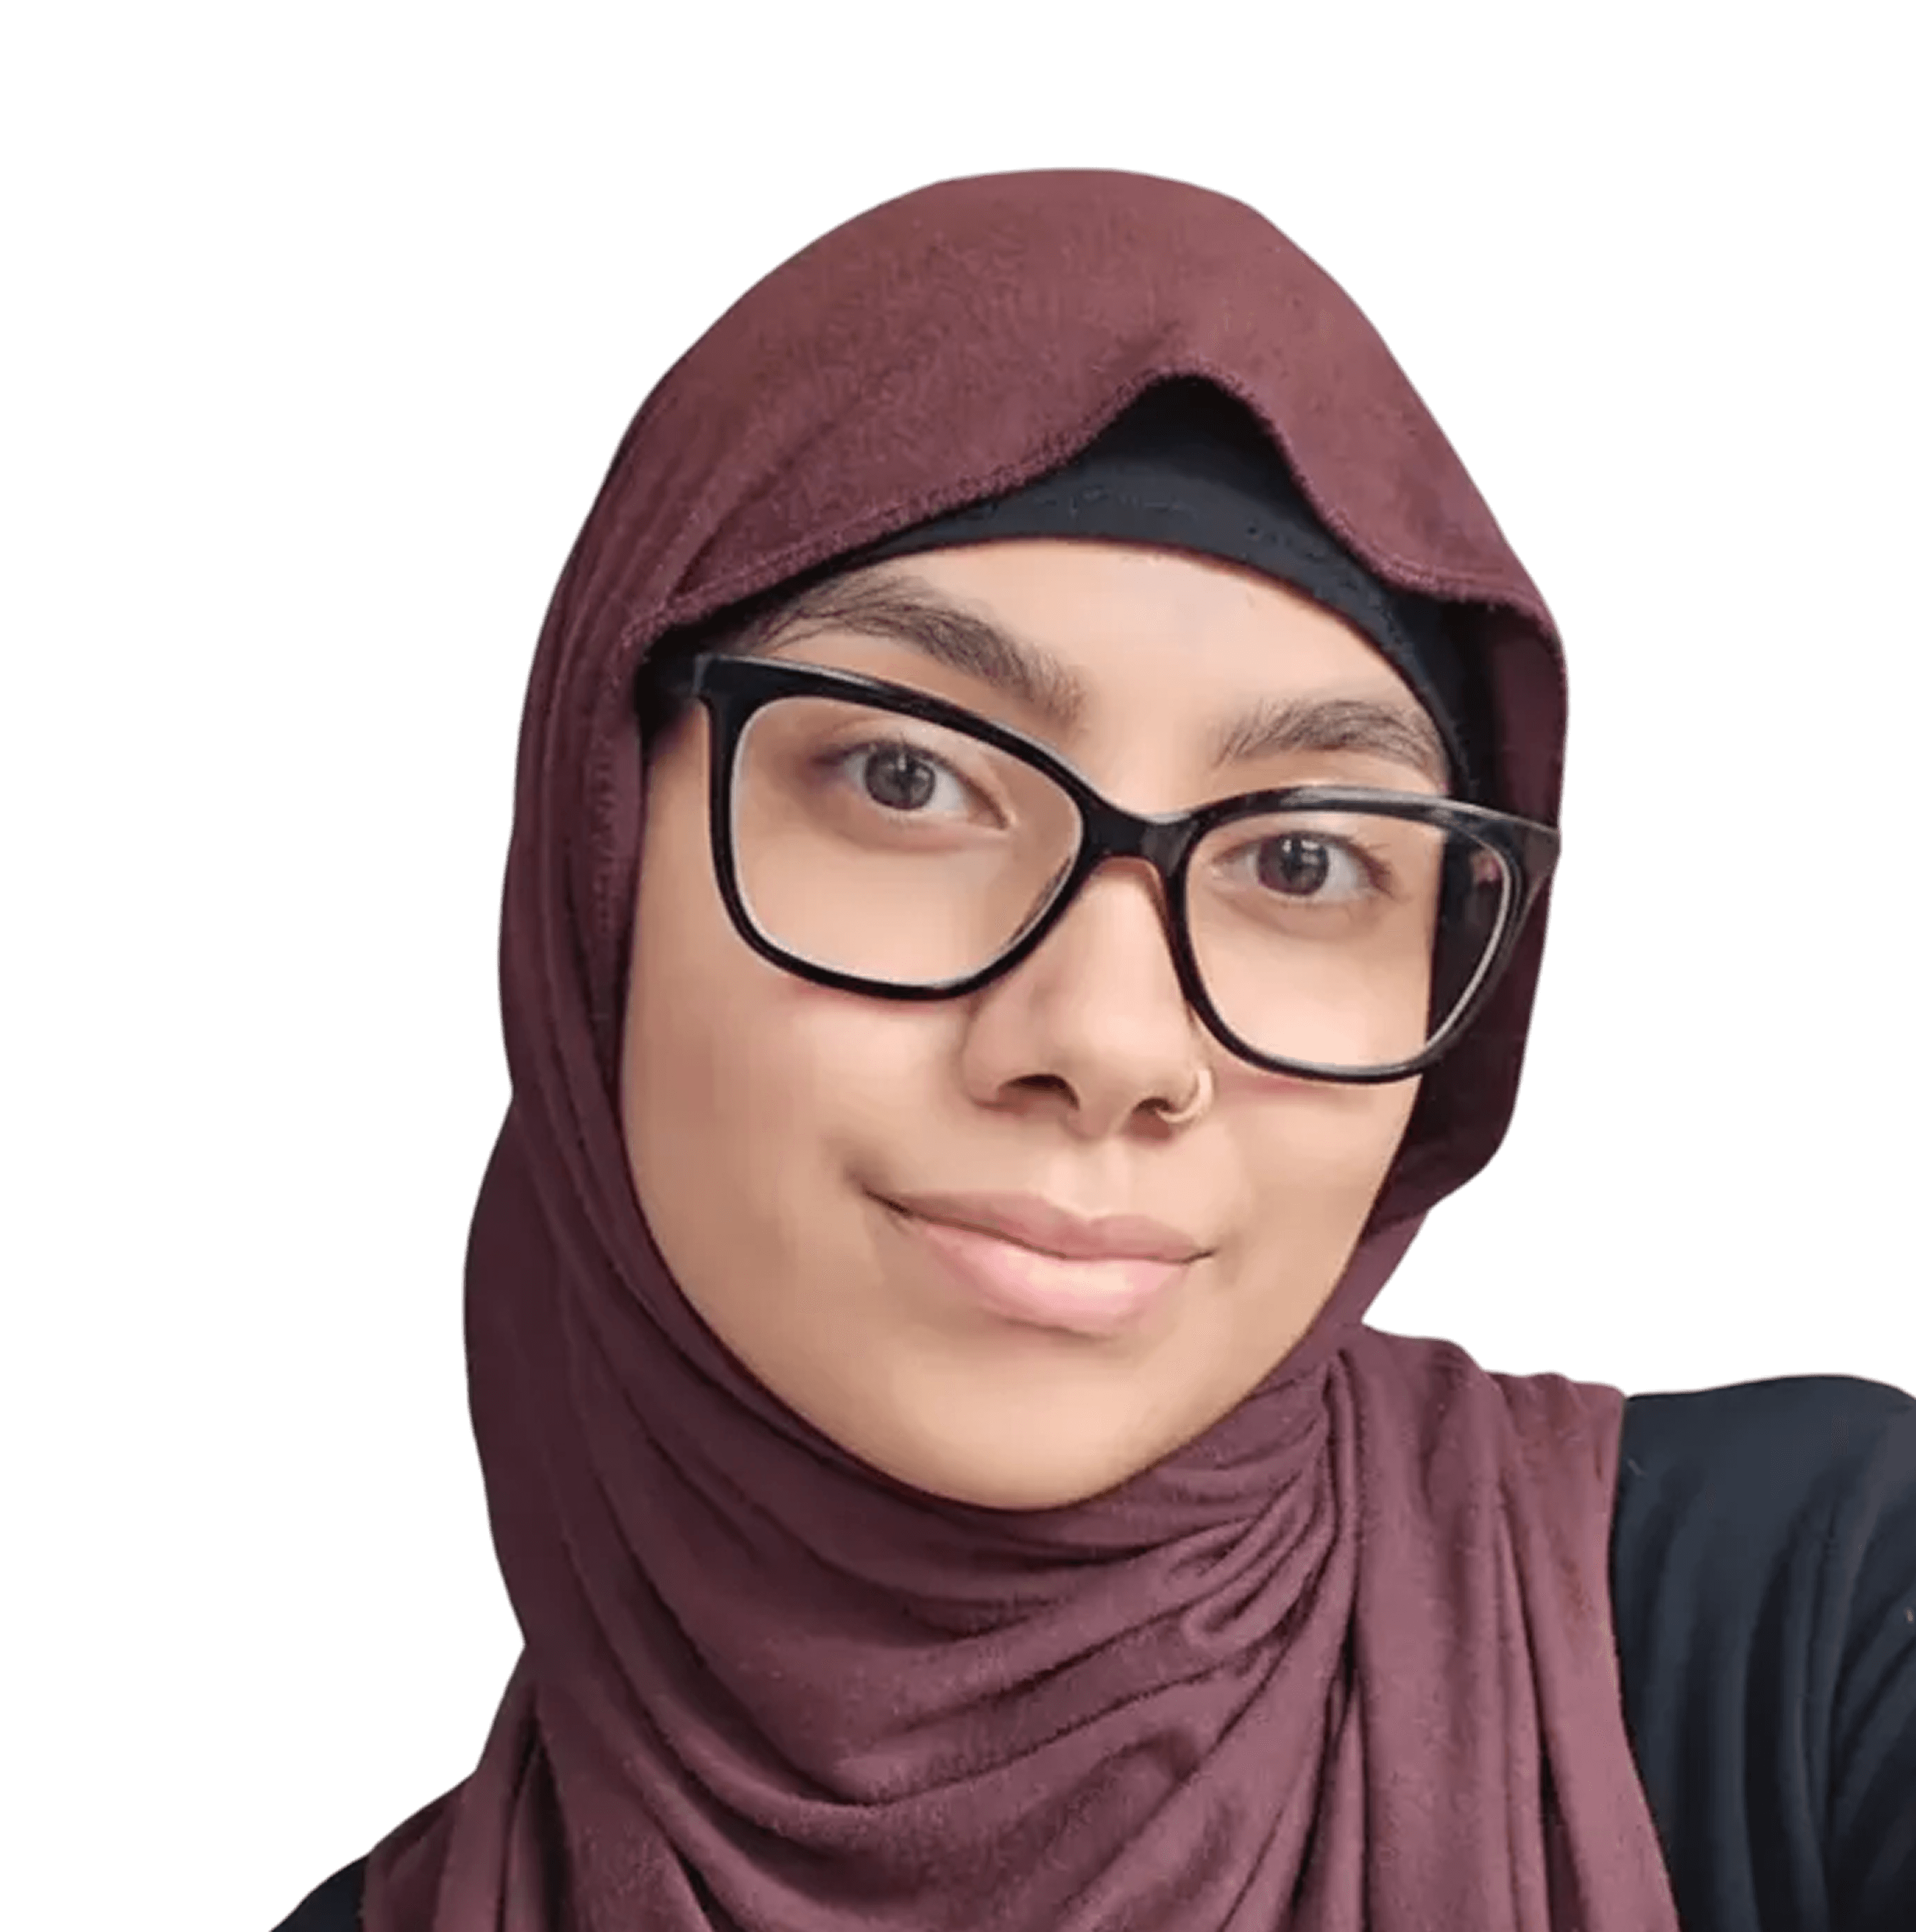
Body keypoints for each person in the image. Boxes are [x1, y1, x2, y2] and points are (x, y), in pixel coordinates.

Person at [271, 169, 1915, 1931]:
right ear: (595, 865)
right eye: (907, 775)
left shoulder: (1823, 1628)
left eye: (1307, 861)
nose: (1114, 1042)